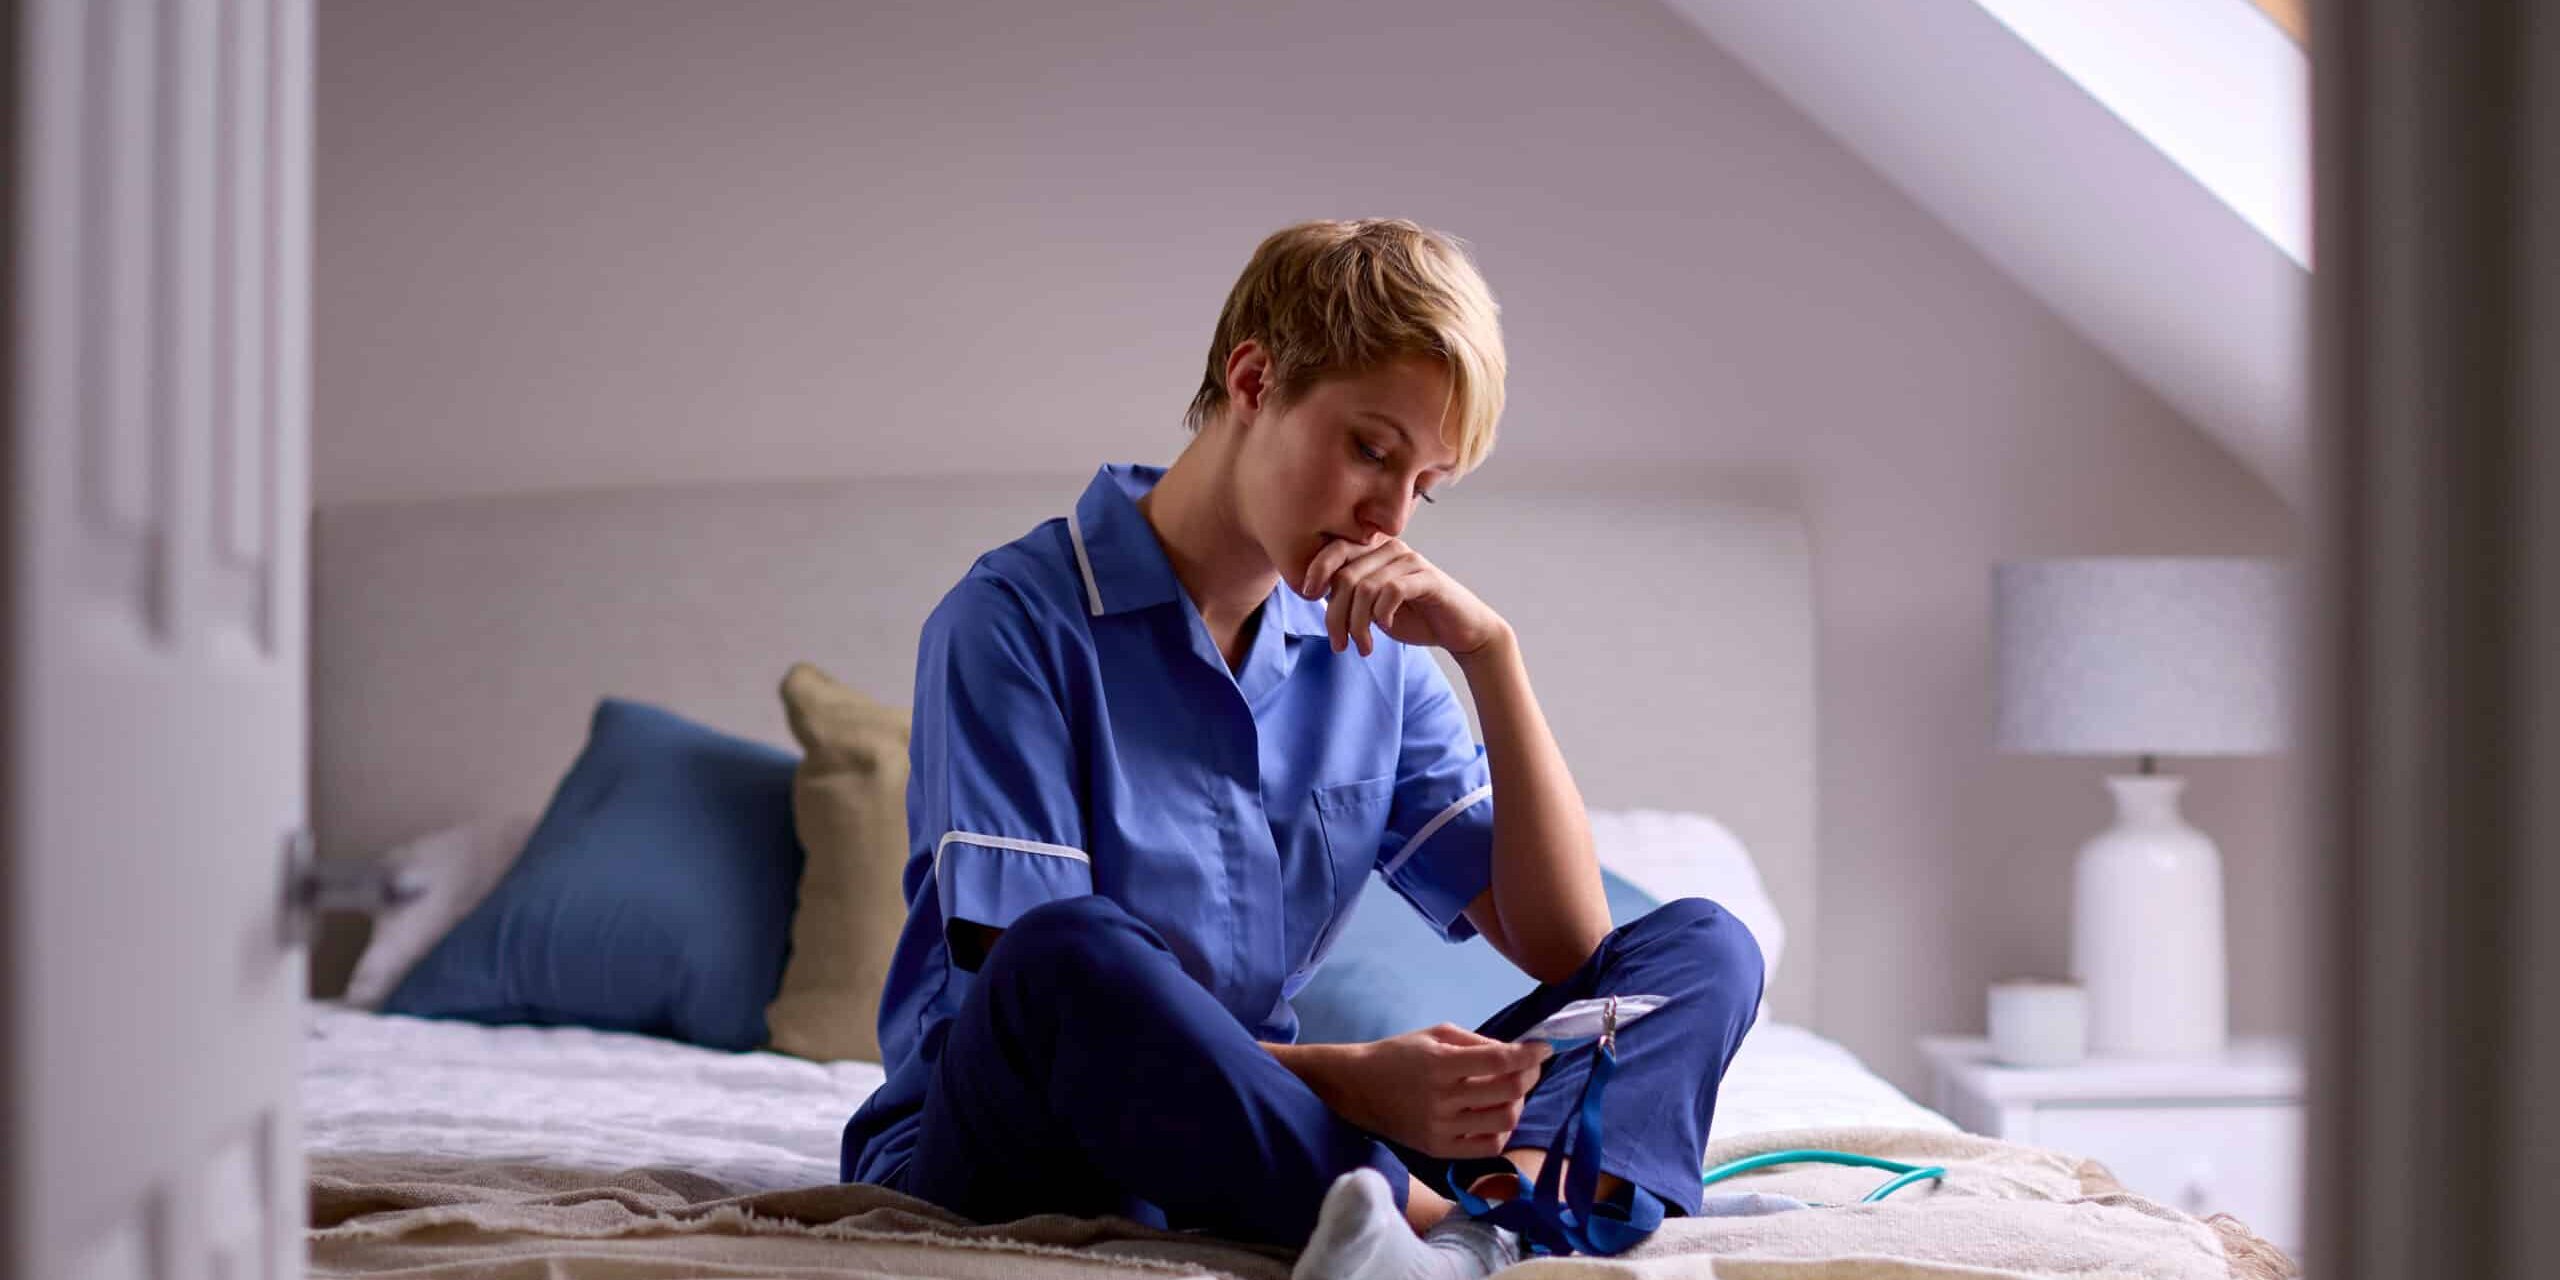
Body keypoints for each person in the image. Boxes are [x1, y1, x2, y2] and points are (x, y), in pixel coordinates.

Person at [839, 218, 1766, 1279]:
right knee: (1066, 951)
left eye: (1424, 486)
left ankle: (1473, 1218)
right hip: (1027, 1140)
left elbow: (1568, 950)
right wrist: (1356, 1082)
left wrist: (1490, 656)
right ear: (1251, 378)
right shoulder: (1013, 621)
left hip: (1274, 1130)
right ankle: (1465, 1220)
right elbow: (1014, 1004)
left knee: (1701, 944)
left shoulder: (1376, 651)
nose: (1388, 520)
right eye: (1370, 449)